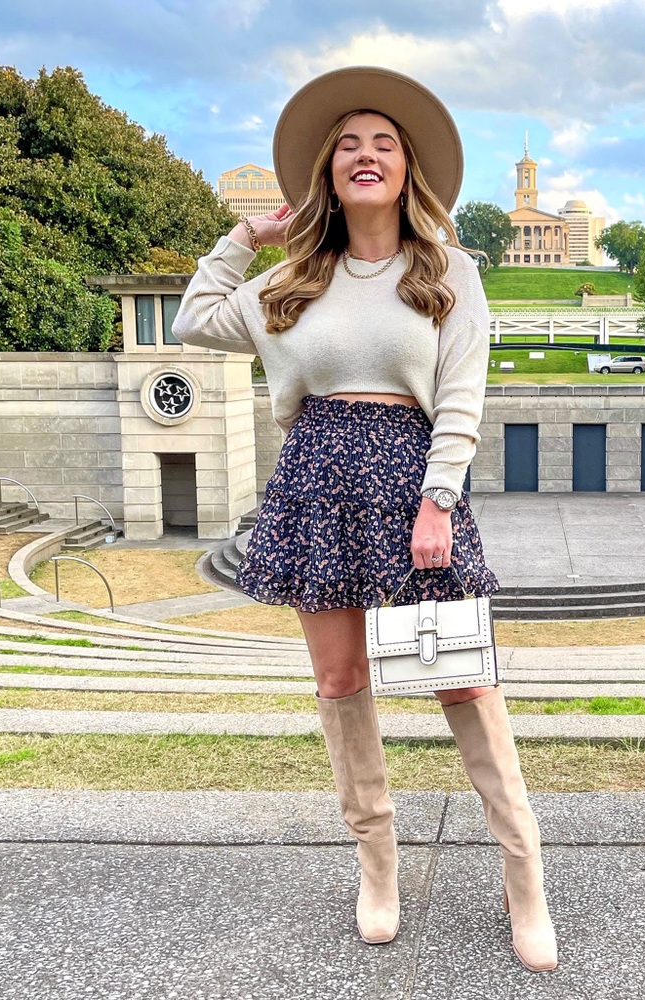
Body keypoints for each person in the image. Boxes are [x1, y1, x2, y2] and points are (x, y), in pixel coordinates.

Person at [173, 66, 557, 973]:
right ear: (328, 173)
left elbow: (462, 393)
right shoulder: (291, 281)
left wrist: (439, 498)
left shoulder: (449, 271)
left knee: (464, 681)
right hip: (316, 485)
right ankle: (376, 866)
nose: (364, 154)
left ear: (408, 167)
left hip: (414, 485)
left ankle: (524, 874)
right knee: (342, 681)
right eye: (347, 144)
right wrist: (248, 235)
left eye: (383, 142)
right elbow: (194, 318)